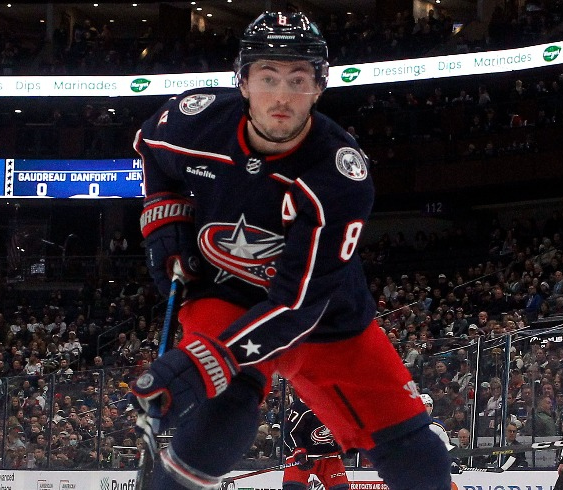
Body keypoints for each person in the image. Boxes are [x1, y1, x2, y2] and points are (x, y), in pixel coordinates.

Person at [130, 10, 451, 490]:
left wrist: (202, 363)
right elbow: (151, 152)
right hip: (227, 291)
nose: (281, 95)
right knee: (228, 407)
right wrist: (165, 221)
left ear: (320, 88)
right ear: (242, 81)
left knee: (420, 459)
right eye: (268, 76)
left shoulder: (339, 176)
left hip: (325, 316)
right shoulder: (191, 120)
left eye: (298, 79)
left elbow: (296, 305)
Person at [283, 395, 350, 490]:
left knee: (341, 488)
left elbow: (350, 429)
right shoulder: (302, 406)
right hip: (303, 456)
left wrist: (348, 445)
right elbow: (290, 432)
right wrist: (298, 452)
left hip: (330, 456)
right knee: (293, 487)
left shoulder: (342, 404)